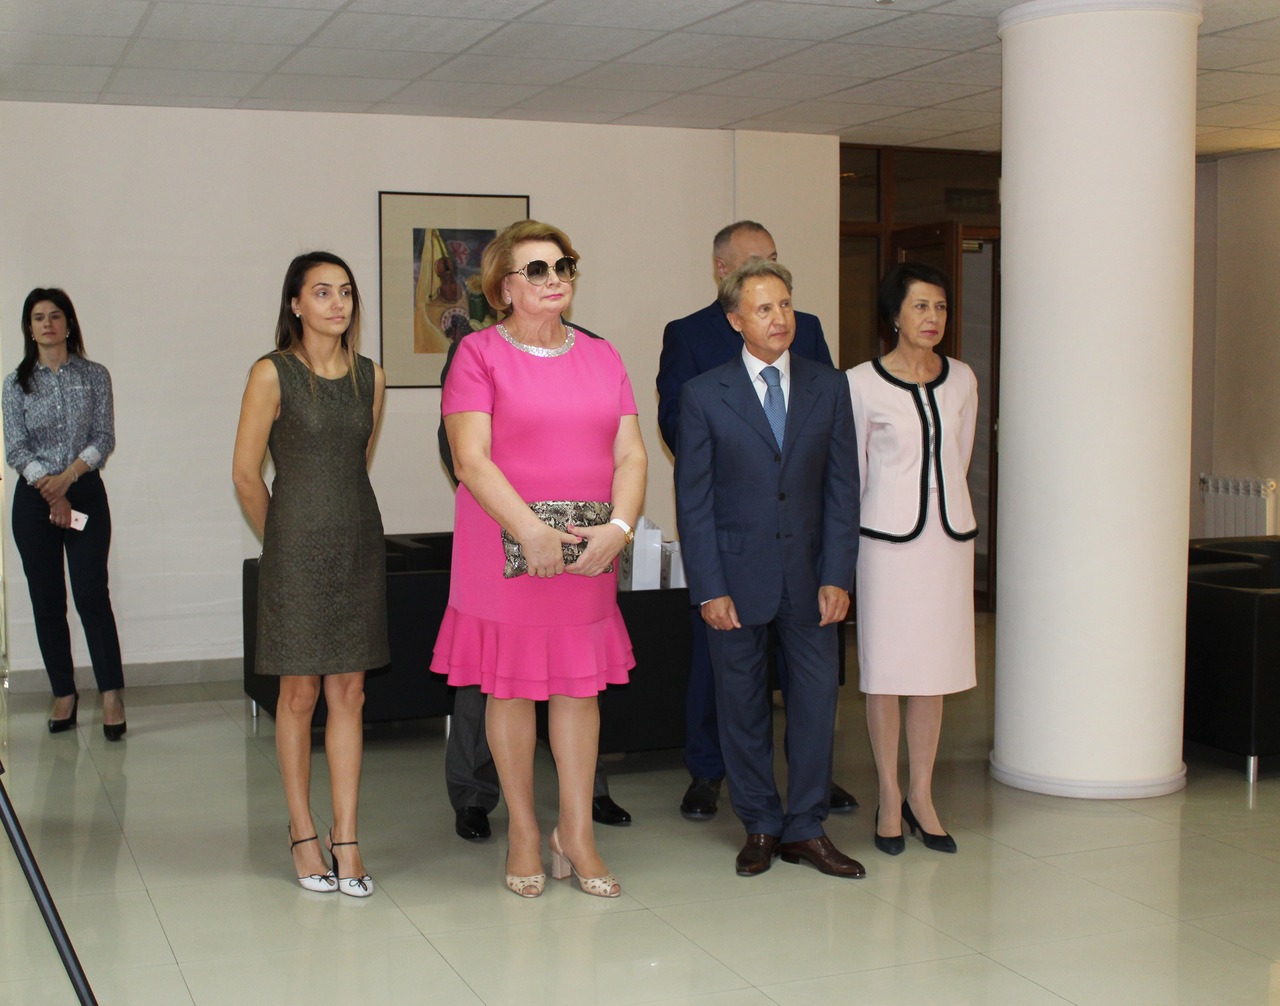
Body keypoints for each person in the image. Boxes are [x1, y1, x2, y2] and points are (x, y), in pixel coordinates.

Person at [432, 220, 646, 899]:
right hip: (505, 550)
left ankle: (575, 833)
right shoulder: (478, 355)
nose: (555, 278)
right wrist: (529, 530)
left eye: (563, 265)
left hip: (587, 551)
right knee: (511, 688)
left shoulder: (603, 356)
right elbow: (470, 459)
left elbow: (631, 455)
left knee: (580, 690)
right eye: (538, 269)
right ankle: (524, 831)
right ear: (503, 287)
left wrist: (620, 527)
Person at [657, 220, 857, 820]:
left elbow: (839, 479)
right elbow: (692, 486)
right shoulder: (700, 375)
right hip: (737, 557)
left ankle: (808, 819)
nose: (780, 317)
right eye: (765, 307)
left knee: (814, 698)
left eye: (785, 304)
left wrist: (838, 572)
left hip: (808, 563)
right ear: (734, 309)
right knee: (735, 697)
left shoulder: (825, 376)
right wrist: (709, 584)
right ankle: (752, 813)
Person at [232, 251, 388, 896]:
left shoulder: (371, 377)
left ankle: (345, 836)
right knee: (298, 694)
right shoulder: (271, 373)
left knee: (349, 692)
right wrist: (285, 542)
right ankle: (302, 831)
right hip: (294, 548)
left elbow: (355, 462)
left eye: (345, 291)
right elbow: (246, 476)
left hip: (357, 541)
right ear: (294, 304)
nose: (337, 303)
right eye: (321, 292)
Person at [848, 262, 978, 856]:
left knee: (934, 674)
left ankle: (923, 796)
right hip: (886, 547)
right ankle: (890, 795)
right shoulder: (861, 383)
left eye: (941, 307)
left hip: (946, 544)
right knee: (887, 673)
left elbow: (960, 455)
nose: (933, 317)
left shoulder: (963, 379)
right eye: (921, 306)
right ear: (894, 316)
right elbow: (854, 473)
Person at [3, 288, 126, 740]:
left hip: (84, 493)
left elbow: (103, 437)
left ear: (69, 324)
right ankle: (63, 693)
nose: (48, 324)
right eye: (39, 317)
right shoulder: (15, 383)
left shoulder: (94, 376)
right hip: (35, 501)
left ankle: (111, 694)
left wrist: (68, 479)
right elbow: (16, 448)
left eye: (55, 316)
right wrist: (51, 492)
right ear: (29, 328)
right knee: (48, 600)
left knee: (92, 594)